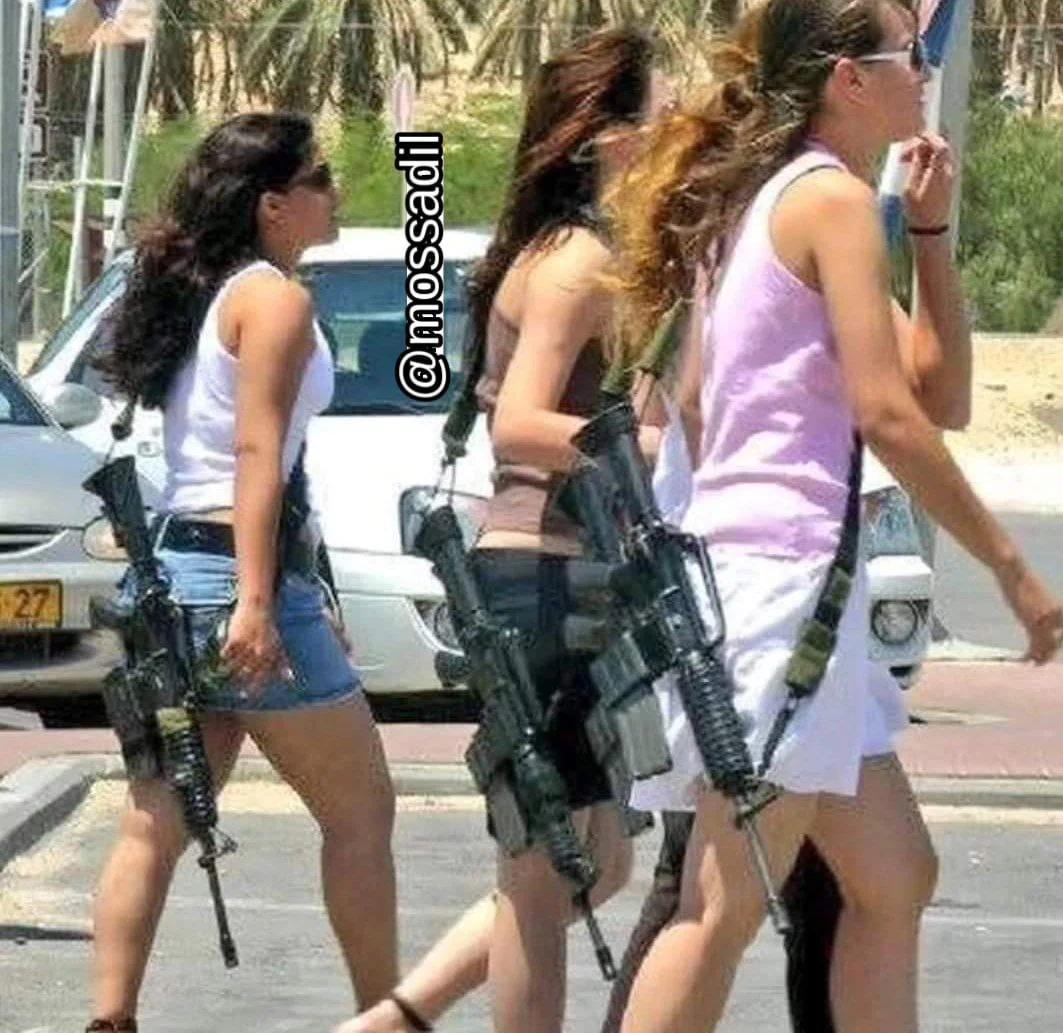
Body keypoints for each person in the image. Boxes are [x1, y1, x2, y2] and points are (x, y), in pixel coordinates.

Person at [601, 2, 1063, 1031]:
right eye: (908, 55)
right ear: (847, 79)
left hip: (785, 582)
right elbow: (886, 414)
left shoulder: (787, 198)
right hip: (780, 588)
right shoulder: (825, 200)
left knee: (893, 875)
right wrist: (1009, 566)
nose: (923, 70)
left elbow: (938, 395)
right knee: (719, 905)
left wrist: (930, 235)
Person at [336, 26, 670, 1033]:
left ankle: (391, 1019)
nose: (677, 132)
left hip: (571, 577)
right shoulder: (575, 262)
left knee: (596, 861)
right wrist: (650, 449)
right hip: (545, 579)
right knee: (544, 872)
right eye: (661, 115)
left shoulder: (582, 252)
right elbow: (521, 422)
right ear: (608, 137)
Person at [86, 112, 397, 1032]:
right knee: (361, 811)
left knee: (157, 817)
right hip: (233, 579)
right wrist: (260, 601)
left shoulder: (213, 293)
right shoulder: (274, 301)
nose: (335, 191)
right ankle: (384, 1017)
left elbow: (261, 461)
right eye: (319, 177)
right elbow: (258, 454)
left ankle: (109, 1018)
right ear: (272, 204)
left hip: (179, 572)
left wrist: (299, 586)